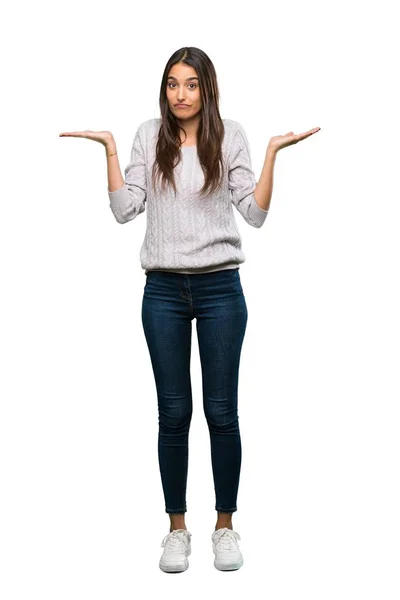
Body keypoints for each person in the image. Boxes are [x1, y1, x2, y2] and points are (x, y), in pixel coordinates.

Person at [59, 46, 320, 573]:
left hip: (222, 289)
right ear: (165, 88)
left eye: (192, 84)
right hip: (162, 292)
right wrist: (109, 149)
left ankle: (225, 526)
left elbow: (256, 214)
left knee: (222, 413)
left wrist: (271, 154)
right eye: (174, 84)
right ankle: (176, 530)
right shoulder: (147, 135)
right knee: (173, 414)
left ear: (207, 89)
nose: (181, 94)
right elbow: (124, 210)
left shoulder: (231, 135)